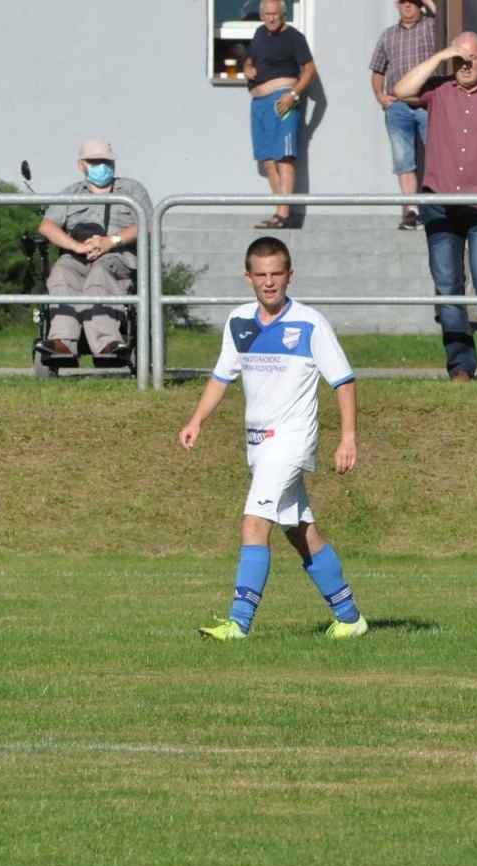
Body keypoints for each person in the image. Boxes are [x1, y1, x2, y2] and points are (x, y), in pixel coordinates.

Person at [179, 237, 366, 642]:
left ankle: (238, 624)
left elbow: (344, 382)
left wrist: (347, 438)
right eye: (261, 275)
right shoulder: (238, 322)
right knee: (300, 530)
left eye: (276, 274)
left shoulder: (311, 324)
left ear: (289, 275)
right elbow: (221, 376)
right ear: (248, 277)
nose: (269, 282)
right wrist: (196, 420)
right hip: (258, 444)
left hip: (292, 440)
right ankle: (350, 617)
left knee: (254, 520)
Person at [395, 34, 477, 382]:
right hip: (440, 203)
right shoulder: (437, 88)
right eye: (458, 59)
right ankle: (460, 368)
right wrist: (441, 56)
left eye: (470, 59)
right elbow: (400, 90)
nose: (463, 66)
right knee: (448, 286)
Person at [36, 137, 154, 357]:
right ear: (81, 164)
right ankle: (62, 341)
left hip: (118, 258)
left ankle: (108, 343)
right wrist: (77, 247)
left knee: (101, 271)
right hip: (78, 256)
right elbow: (47, 225)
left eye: (107, 161)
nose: (102, 166)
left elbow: (148, 223)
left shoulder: (132, 189)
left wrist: (111, 241)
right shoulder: (70, 193)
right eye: (95, 161)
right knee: (61, 269)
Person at [244, 0, 316, 229]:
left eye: (275, 14)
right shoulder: (259, 33)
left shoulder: (294, 37)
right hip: (258, 104)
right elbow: (250, 58)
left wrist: (294, 95)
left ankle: (284, 215)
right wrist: (247, 66)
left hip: (281, 101)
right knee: (268, 161)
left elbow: (310, 69)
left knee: (283, 158)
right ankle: (278, 213)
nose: (271, 18)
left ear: (283, 14)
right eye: (267, 14)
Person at [370, 0, 438, 231]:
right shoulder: (388, 35)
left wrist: (430, 3)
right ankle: (411, 211)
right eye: (403, 1)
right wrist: (380, 96)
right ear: (396, 6)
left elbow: (450, 27)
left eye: (413, 1)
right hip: (398, 107)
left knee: (437, 154)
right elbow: (378, 69)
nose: (408, 5)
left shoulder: (431, 27)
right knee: (403, 159)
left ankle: (438, 208)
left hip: (427, 102)